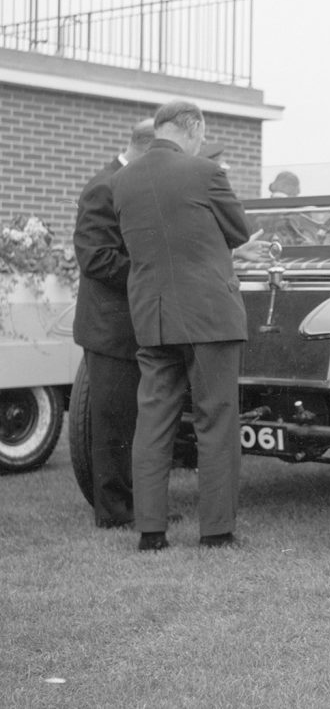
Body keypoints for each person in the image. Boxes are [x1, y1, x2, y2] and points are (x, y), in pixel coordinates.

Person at [111, 100, 250, 551]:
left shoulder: (122, 181)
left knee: (152, 421)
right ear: (192, 130)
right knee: (217, 420)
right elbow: (240, 231)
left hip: (152, 316)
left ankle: (150, 532)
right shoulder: (205, 173)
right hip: (210, 316)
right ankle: (216, 531)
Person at [72, 118, 154, 529]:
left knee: (129, 421)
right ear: (148, 147)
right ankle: (115, 511)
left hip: (129, 327)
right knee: (113, 426)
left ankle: (131, 504)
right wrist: (152, 272)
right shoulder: (103, 186)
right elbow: (96, 259)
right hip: (110, 330)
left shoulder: (127, 183)